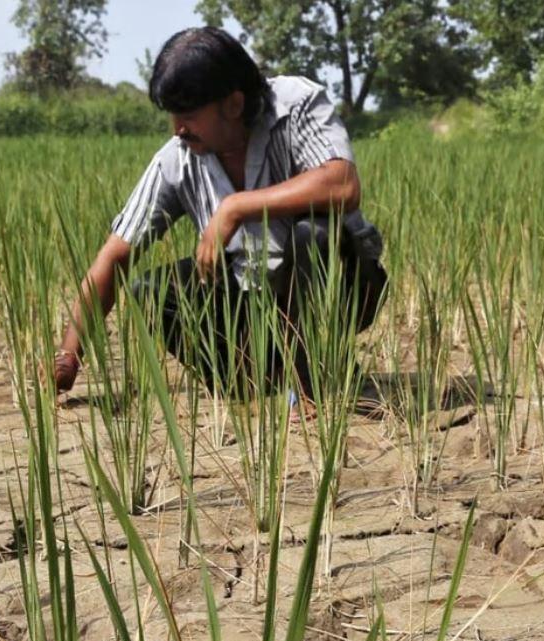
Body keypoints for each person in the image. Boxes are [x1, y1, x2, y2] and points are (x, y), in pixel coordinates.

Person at [53, 26, 386, 406]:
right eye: (173, 115)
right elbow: (115, 256)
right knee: (153, 292)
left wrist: (236, 206)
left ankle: (318, 381)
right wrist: (68, 355)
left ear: (233, 104)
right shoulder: (177, 159)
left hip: (340, 282)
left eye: (190, 114)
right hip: (254, 297)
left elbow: (342, 184)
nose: (178, 128)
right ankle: (260, 379)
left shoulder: (296, 104)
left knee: (316, 233)